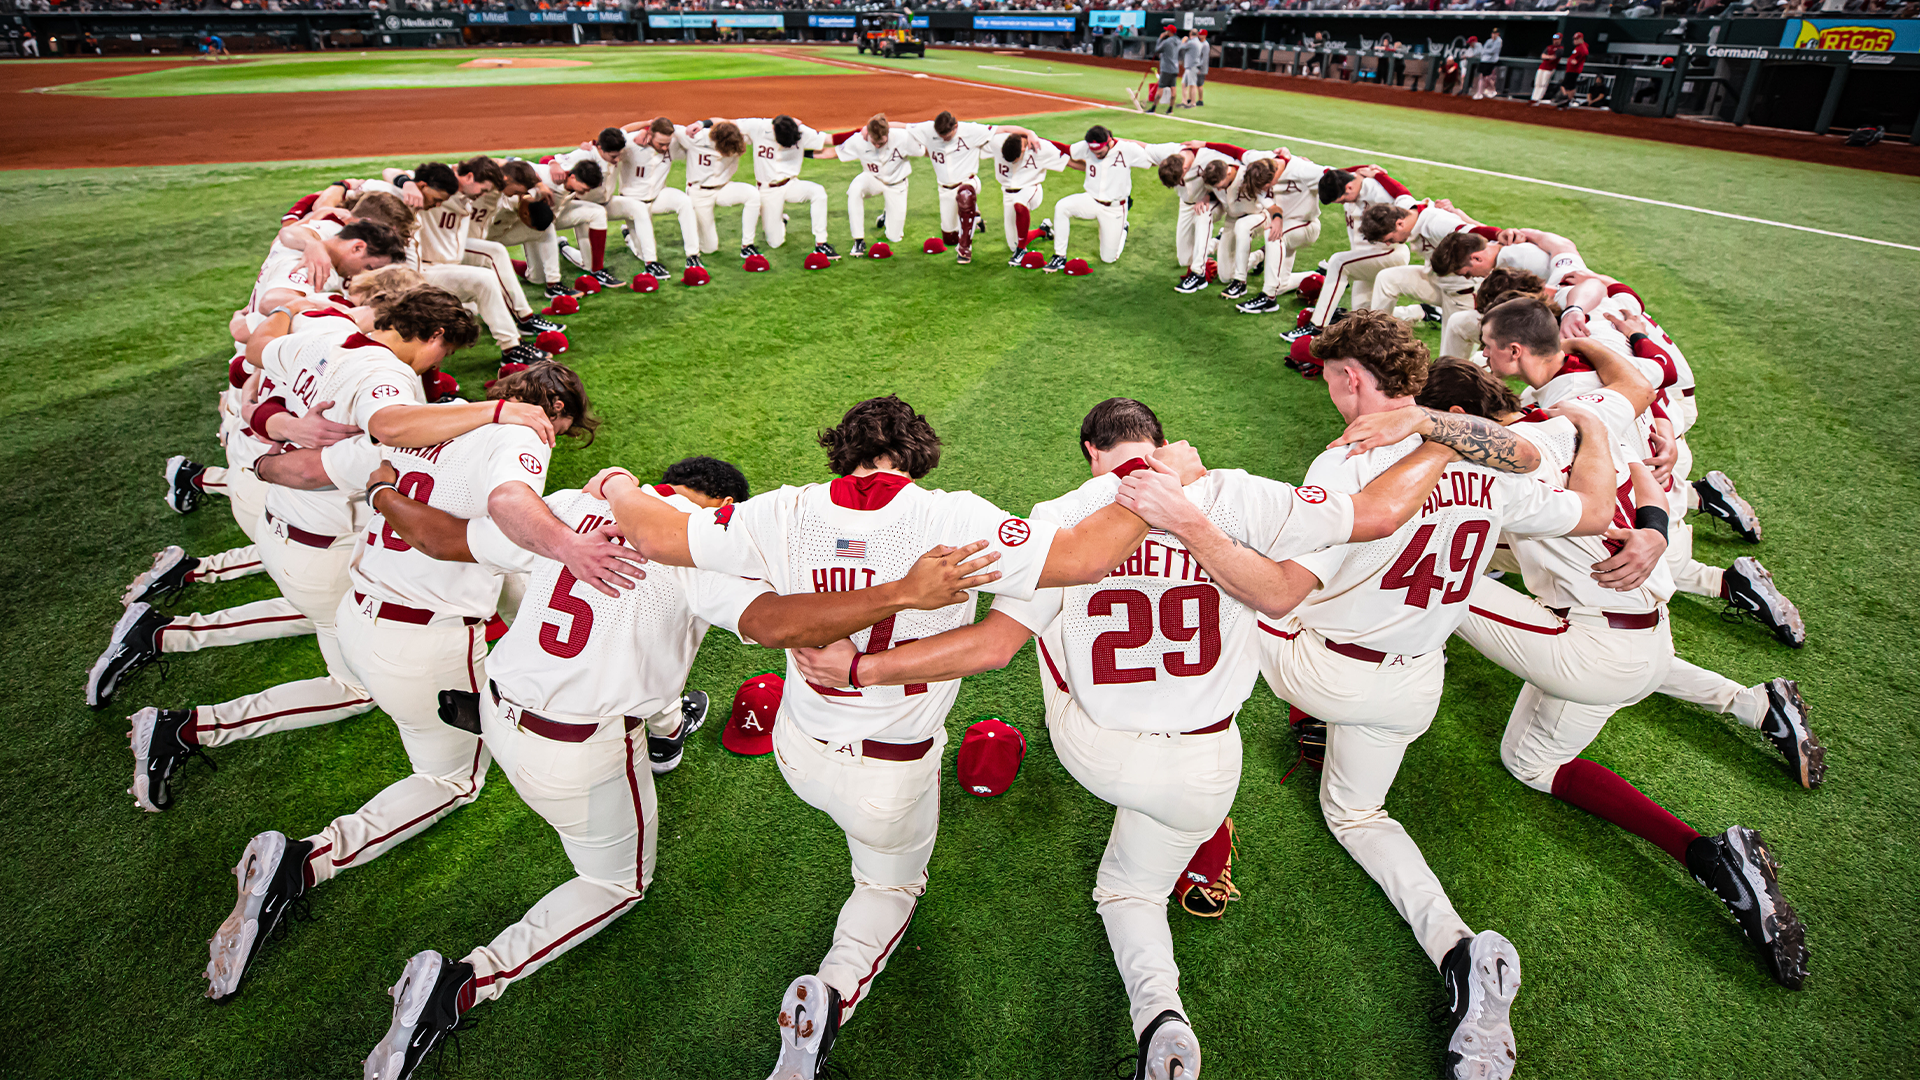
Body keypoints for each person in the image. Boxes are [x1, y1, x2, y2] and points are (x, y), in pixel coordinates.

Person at [795, 396, 1547, 1080]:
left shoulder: (1063, 511)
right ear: (1163, 441)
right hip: (1206, 758)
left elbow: (992, 646)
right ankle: (1170, 1017)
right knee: (1133, 888)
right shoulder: (1239, 491)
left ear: (1092, 452)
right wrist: (1436, 437)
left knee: (1047, 634)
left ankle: (1163, 1019)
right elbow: (1378, 517)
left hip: (1096, 749)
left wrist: (861, 666)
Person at [600, 395, 1194, 1080]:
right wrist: (1153, 483)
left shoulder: (781, 509)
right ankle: (832, 988)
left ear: (840, 450)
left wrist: (616, 479)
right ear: (919, 452)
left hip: (799, 748)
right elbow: (1089, 559)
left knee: (860, 827)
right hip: (890, 768)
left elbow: (652, 533)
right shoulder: (956, 518)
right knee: (888, 886)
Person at [355, 461, 1004, 1080]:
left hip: (500, 713)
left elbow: (439, 537)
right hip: (579, 747)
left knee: (639, 685)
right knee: (614, 882)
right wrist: (896, 596)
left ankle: (666, 732)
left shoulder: (569, 507)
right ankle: (467, 979)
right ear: (722, 508)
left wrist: (382, 490)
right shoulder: (701, 548)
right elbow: (778, 624)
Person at [1135, 310, 1620, 1080]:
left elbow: (1276, 590)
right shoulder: (1483, 455)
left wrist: (1195, 510)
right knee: (1358, 814)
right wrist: (1597, 432)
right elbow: (1593, 510)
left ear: (1351, 379)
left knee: (1220, 597)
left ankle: (1198, 822)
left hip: (1324, 668)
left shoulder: (1348, 462)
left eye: (1332, 378)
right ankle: (1459, 950)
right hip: (1415, 682)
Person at [202, 363, 607, 1004]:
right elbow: (504, 508)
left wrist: (250, 460)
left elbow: (300, 469)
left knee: (389, 708)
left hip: (359, 613)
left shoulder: (424, 419)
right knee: (451, 779)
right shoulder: (519, 436)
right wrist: (565, 545)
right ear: (552, 406)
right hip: (425, 638)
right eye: (563, 422)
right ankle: (306, 860)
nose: (557, 435)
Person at [1410, 357, 1814, 990]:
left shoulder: (1508, 448)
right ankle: (1719, 831)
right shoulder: (1581, 415)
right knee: (1529, 761)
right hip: (1642, 633)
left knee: (1441, 576)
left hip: (1594, 650)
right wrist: (1653, 528)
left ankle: (1369, 684)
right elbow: (1639, 396)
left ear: (1458, 419)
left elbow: (1507, 484)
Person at [1048, 126, 1177, 271]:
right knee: (1062, 206)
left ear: (1109, 142)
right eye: (1093, 151)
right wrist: (1035, 139)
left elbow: (1152, 160)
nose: (1096, 154)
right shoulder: (1086, 147)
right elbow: (1066, 149)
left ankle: (1123, 229)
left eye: (1100, 152)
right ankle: (1059, 256)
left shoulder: (1127, 150)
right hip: (1090, 200)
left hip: (1114, 208)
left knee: (1108, 258)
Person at [902, 111, 1004, 264]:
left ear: (955, 126)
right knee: (949, 239)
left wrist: (1029, 134)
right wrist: (868, 128)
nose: (943, 139)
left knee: (965, 195)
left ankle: (965, 249)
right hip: (945, 189)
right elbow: (904, 127)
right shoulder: (929, 129)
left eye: (947, 136)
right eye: (940, 135)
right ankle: (974, 216)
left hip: (968, 182)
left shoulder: (971, 130)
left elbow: (1001, 129)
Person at [735, 114, 840, 259]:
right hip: (768, 191)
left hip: (791, 184)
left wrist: (861, 134)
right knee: (775, 242)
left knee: (818, 192)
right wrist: (704, 125)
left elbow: (830, 140)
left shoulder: (800, 131)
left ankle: (821, 244)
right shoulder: (758, 127)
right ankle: (781, 220)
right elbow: (728, 124)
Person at [616, 116, 700, 280]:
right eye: (660, 143)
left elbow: (689, 134)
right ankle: (636, 244)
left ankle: (693, 255)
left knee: (684, 201)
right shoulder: (632, 144)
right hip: (632, 203)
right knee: (643, 252)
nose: (665, 147)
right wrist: (644, 125)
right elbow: (618, 133)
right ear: (649, 135)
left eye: (667, 143)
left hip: (657, 197)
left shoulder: (673, 142)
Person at [674, 119, 763, 264]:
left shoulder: (736, 136)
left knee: (752, 194)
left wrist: (703, 122)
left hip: (724, 188)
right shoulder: (696, 137)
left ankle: (747, 245)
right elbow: (670, 127)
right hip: (699, 193)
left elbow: (721, 120)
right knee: (710, 248)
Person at [836, 114, 922, 257]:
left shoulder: (903, 138)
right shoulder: (859, 140)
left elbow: (922, 151)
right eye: (874, 142)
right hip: (873, 179)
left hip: (896, 184)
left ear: (888, 133)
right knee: (855, 189)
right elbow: (834, 152)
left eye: (881, 143)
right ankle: (858, 240)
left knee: (894, 237)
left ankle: (887, 213)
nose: (877, 145)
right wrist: (802, 152)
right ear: (867, 133)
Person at [992, 129, 1070, 264]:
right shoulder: (997, 142)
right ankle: (1042, 230)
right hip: (1007, 194)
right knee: (1013, 244)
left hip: (1031, 189)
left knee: (1019, 204)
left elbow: (1067, 156)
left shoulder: (1041, 148)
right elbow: (999, 128)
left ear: (1023, 149)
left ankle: (1021, 250)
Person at [1146, 25, 1182, 114]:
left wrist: (1160, 39)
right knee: (1173, 88)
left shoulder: (1166, 42)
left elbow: (1157, 49)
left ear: (1169, 32)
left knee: (1160, 88)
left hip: (1166, 68)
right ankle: (1170, 109)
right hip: (1175, 68)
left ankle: (1153, 108)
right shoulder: (1178, 41)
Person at [1554, 32, 1590, 108]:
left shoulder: (1582, 47)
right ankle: (1567, 99)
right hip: (1570, 70)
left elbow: (1585, 53)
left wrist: (1576, 61)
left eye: (1577, 39)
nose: (1575, 40)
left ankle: (1568, 100)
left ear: (1580, 39)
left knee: (1568, 86)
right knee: (1567, 86)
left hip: (1574, 70)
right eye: (1574, 39)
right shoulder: (1577, 47)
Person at [1532, 33, 1563, 103]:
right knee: (1537, 83)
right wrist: (1548, 57)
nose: (1555, 41)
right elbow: (1542, 56)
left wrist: (1547, 57)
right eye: (1554, 40)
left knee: (1543, 84)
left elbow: (1554, 57)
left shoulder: (1560, 49)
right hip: (1542, 67)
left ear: (1560, 40)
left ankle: (1538, 98)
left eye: (1557, 40)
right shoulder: (1549, 47)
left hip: (1550, 68)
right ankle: (1533, 98)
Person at [1474, 28, 1503, 98]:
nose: (1493, 35)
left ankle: (1492, 90)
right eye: (1493, 33)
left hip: (1491, 61)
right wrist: (1486, 52)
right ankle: (1479, 92)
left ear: (1498, 34)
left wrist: (1486, 52)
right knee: (1481, 76)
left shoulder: (1499, 41)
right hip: (1484, 60)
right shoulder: (1488, 41)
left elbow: (1493, 51)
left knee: (1488, 77)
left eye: (1495, 33)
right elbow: (1483, 50)